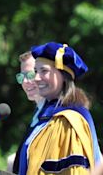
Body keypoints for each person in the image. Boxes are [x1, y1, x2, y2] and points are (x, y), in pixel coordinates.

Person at [17, 42, 102, 174]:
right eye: (35, 71)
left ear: (63, 75)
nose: (37, 78)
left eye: (44, 71)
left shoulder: (70, 120)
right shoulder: (44, 117)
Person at [7, 51, 45, 173]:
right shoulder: (38, 114)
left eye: (30, 75)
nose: (25, 82)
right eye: (21, 77)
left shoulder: (62, 112)